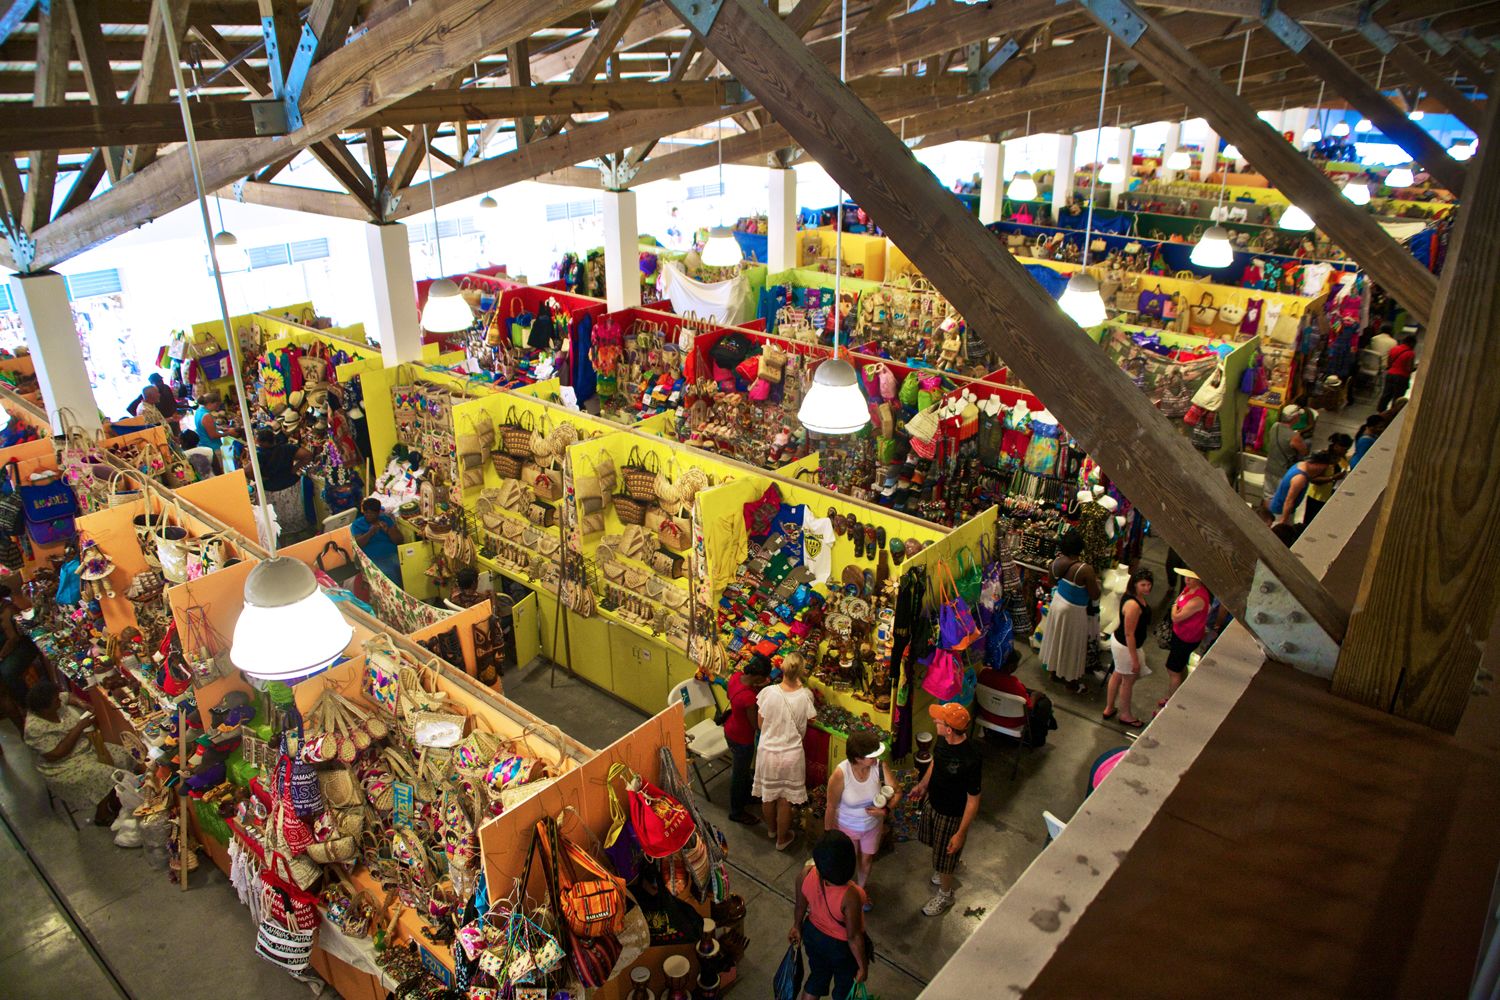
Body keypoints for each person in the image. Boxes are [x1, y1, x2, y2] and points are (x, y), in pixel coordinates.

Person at [910, 702, 981, 917]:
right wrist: (923, 785)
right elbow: (936, 763)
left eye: (938, 720)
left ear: (949, 729)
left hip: (952, 815)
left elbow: (973, 800)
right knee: (937, 847)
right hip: (934, 803)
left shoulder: (970, 759)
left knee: (947, 858)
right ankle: (942, 867)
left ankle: (946, 893)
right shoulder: (942, 740)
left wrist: (960, 833)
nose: (934, 721)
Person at [24, 680, 121, 827]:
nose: (59, 701)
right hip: (62, 766)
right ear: (45, 709)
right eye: (55, 701)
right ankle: (101, 814)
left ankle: (114, 799)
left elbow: (67, 696)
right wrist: (79, 727)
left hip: (86, 748)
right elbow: (56, 754)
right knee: (103, 773)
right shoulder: (34, 728)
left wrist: (82, 704)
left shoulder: (54, 701)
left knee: (122, 755)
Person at [790, 831, 870, 1000]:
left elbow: (800, 906)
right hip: (840, 948)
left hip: (812, 935)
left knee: (817, 976)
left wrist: (797, 926)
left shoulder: (805, 874)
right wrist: (863, 967)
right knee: (844, 988)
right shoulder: (851, 895)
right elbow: (853, 936)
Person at [823, 731, 900, 908]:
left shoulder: (879, 767)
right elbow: (831, 807)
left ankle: (860, 891)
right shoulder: (841, 774)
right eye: (870, 756)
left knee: (866, 860)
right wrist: (827, 836)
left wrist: (886, 810)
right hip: (846, 827)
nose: (875, 758)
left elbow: (897, 791)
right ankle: (843, 895)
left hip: (872, 827)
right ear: (857, 758)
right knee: (847, 863)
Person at [754, 652, 817, 851]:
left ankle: (771, 830)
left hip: (768, 753)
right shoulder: (806, 696)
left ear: (782, 668)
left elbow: (760, 723)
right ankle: (782, 839)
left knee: (768, 795)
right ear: (801, 671)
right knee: (784, 800)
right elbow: (811, 720)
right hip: (791, 754)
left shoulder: (768, 693)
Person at [1039, 529, 1099, 695]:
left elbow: (1051, 582)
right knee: (1073, 644)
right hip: (1074, 609)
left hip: (1058, 602)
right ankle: (1071, 682)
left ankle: (1054, 672)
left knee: (1056, 638)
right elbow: (1095, 594)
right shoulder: (1085, 569)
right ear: (1080, 548)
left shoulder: (1056, 563)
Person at [724, 653, 770, 826]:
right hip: (742, 739)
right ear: (759, 677)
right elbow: (755, 725)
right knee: (739, 774)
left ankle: (746, 796)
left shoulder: (736, 677)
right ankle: (736, 811)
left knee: (741, 772)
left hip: (730, 729)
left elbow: (731, 697)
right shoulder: (749, 697)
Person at [1103, 569, 1153, 729]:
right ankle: (1125, 714)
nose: (1146, 588)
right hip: (1126, 646)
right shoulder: (1133, 604)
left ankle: (1109, 708)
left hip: (1121, 643)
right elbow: (1129, 634)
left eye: (1149, 584)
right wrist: (1134, 659)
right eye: (1143, 584)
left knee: (1117, 674)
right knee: (1127, 681)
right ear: (1135, 584)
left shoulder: (1132, 596)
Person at [1160, 568, 1211, 708]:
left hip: (1186, 638)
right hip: (1182, 635)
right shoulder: (1189, 589)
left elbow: (1176, 617)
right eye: (1186, 577)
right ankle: (1178, 691)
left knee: (1173, 670)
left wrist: (1175, 606)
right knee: (1180, 666)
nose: (1187, 580)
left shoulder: (1198, 599)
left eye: (1191, 578)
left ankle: (1170, 701)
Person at [254, 427, 313, 538]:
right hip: (290, 486)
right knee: (293, 513)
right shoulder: (287, 448)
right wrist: (295, 468)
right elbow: (307, 455)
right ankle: (298, 535)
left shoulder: (259, 455)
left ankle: (283, 536)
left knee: (278, 516)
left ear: (265, 442)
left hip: (271, 489)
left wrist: (261, 478)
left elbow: (248, 471)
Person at [0, 582, 39, 733]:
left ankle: (29, 705)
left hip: (19, 648)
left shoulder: (7, 610)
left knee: (8, 673)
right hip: (5, 649)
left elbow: (13, 639)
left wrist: (1, 656)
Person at [1269, 452, 1333, 527]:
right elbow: (1289, 501)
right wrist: (1284, 520)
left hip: (1284, 509)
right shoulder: (1300, 478)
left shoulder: (1301, 464)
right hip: (1281, 511)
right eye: (1323, 468)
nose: (1322, 471)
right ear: (1317, 464)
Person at [1261, 405, 1308, 507]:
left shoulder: (1275, 426)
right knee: (1281, 498)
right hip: (1283, 472)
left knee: (1268, 495)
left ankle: (1265, 518)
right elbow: (1304, 451)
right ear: (1294, 418)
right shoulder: (1294, 437)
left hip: (1270, 467)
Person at [975, 648, 1032, 732]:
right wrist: (1036, 696)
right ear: (1011, 667)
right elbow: (1029, 708)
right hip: (1011, 722)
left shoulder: (984, 675)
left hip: (987, 715)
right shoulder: (1016, 686)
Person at [352, 497, 403, 584]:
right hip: (373, 557)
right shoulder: (358, 524)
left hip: (391, 554)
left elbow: (399, 540)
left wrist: (388, 530)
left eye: (372, 513)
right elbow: (359, 544)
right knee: (388, 573)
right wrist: (370, 532)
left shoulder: (386, 520)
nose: (369, 515)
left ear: (378, 512)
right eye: (366, 512)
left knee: (403, 569)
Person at [1304, 433, 1352, 522]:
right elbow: (1313, 479)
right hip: (1317, 497)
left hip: (1330, 496)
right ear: (1336, 446)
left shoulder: (1341, 458)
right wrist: (1333, 478)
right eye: (1344, 449)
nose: (1345, 451)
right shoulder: (1323, 457)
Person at [1378, 334, 1417, 412]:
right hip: (1401, 377)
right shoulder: (1410, 353)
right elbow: (1409, 368)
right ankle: (1393, 412)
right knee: (1397, 397)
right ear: (1412, 343)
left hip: (1390, 374)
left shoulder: (1394, 349)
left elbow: (1389, 363)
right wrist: (1415, 368)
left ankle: (1380, 411)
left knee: (1386, 394)